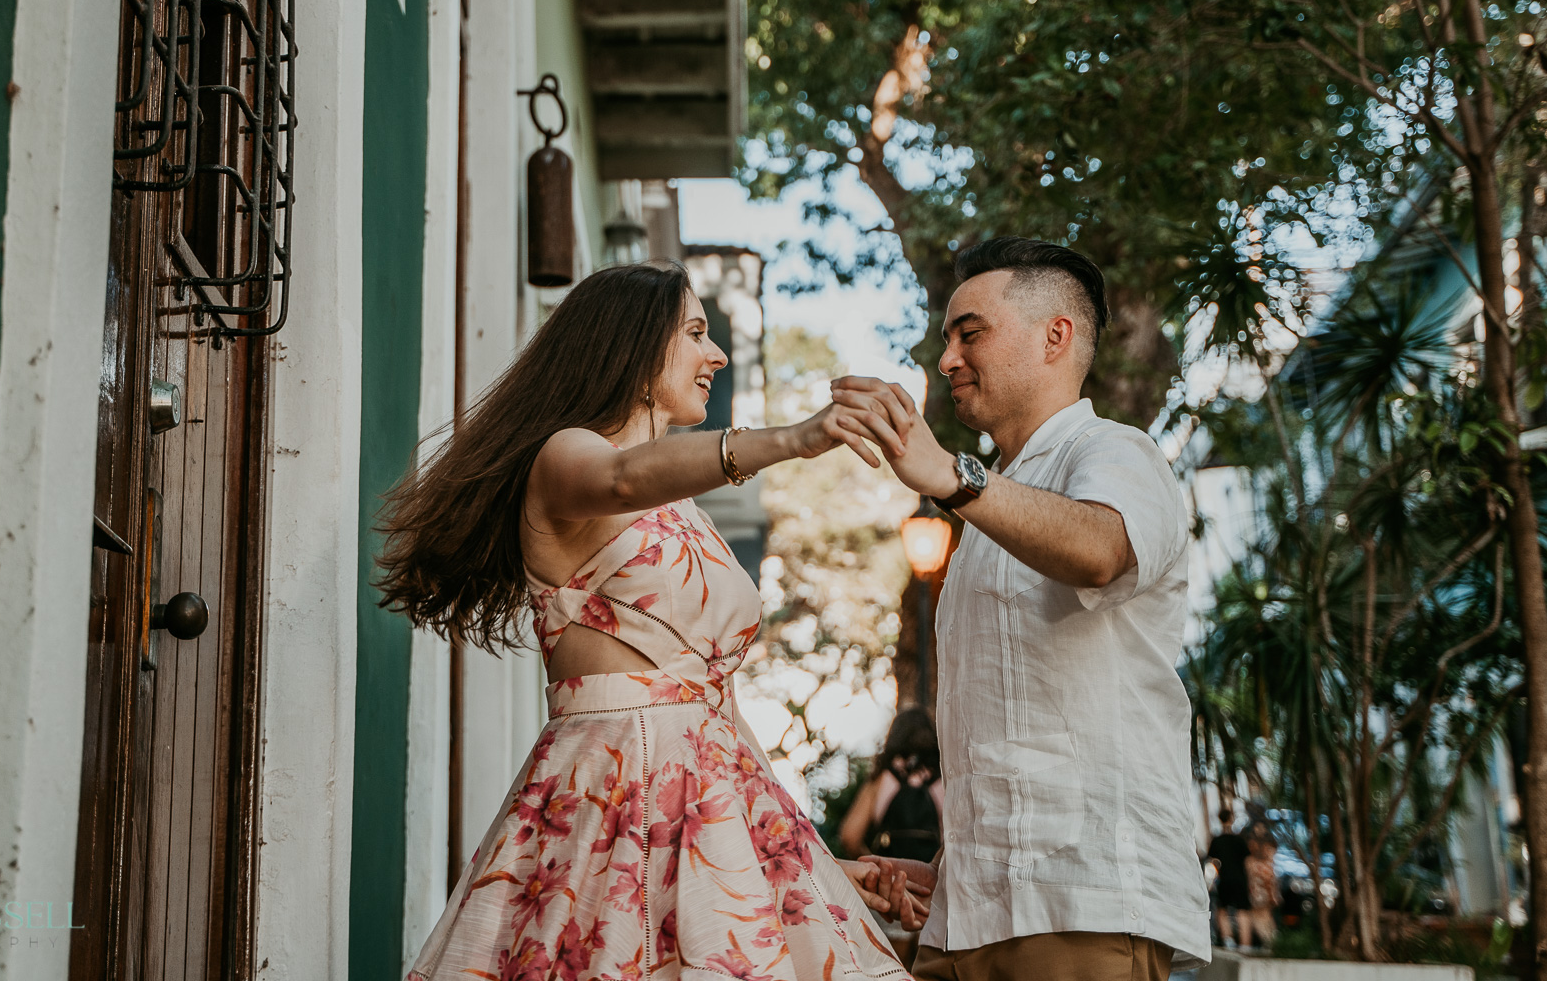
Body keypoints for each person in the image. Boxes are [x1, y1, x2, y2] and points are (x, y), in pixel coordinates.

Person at [377, 262, 923, 981]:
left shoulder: (686, 509)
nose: (717, 355)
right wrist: (793, 439)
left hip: (714, 806)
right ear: (633, 351)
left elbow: (714, 703)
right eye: (697, 333)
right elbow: (622, 479)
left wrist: (811, 857)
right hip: (610, 803)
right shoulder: (565, 457)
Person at [827, 237, 1211, 981]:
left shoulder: (1115, 451)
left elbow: (1103, 547)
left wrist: (948, 474)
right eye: (946, 340)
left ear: (1054, 336)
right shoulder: (989, 513)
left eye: (970, 333)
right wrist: (951, 868)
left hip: (1085, 907)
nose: (947, 361)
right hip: (965, 919)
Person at [840, 707, 946, 863]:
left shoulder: (882, 778)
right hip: (933, 883)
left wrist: (877, 868)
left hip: (890, 882)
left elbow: (850, 837)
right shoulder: (943, 780)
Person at [1206, 808, 1252, 949]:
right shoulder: (1239, 840)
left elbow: (1213, 862)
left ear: (1220, 819)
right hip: (1240, 879)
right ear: (1231, 819)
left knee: (1222, 909)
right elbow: (1248, 862)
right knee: (1242, 911)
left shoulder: (1217, 841)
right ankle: (1245, 944)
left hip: (1224, 879)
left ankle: (1228, 940)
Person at [1244, 834, 1279, 950]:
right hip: (1262, 894)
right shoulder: (1265, 864)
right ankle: (1271, 942)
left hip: (1259, 895)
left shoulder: (1251, 862)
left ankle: (1269, 942)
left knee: (1261, 919)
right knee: (1265, 919)